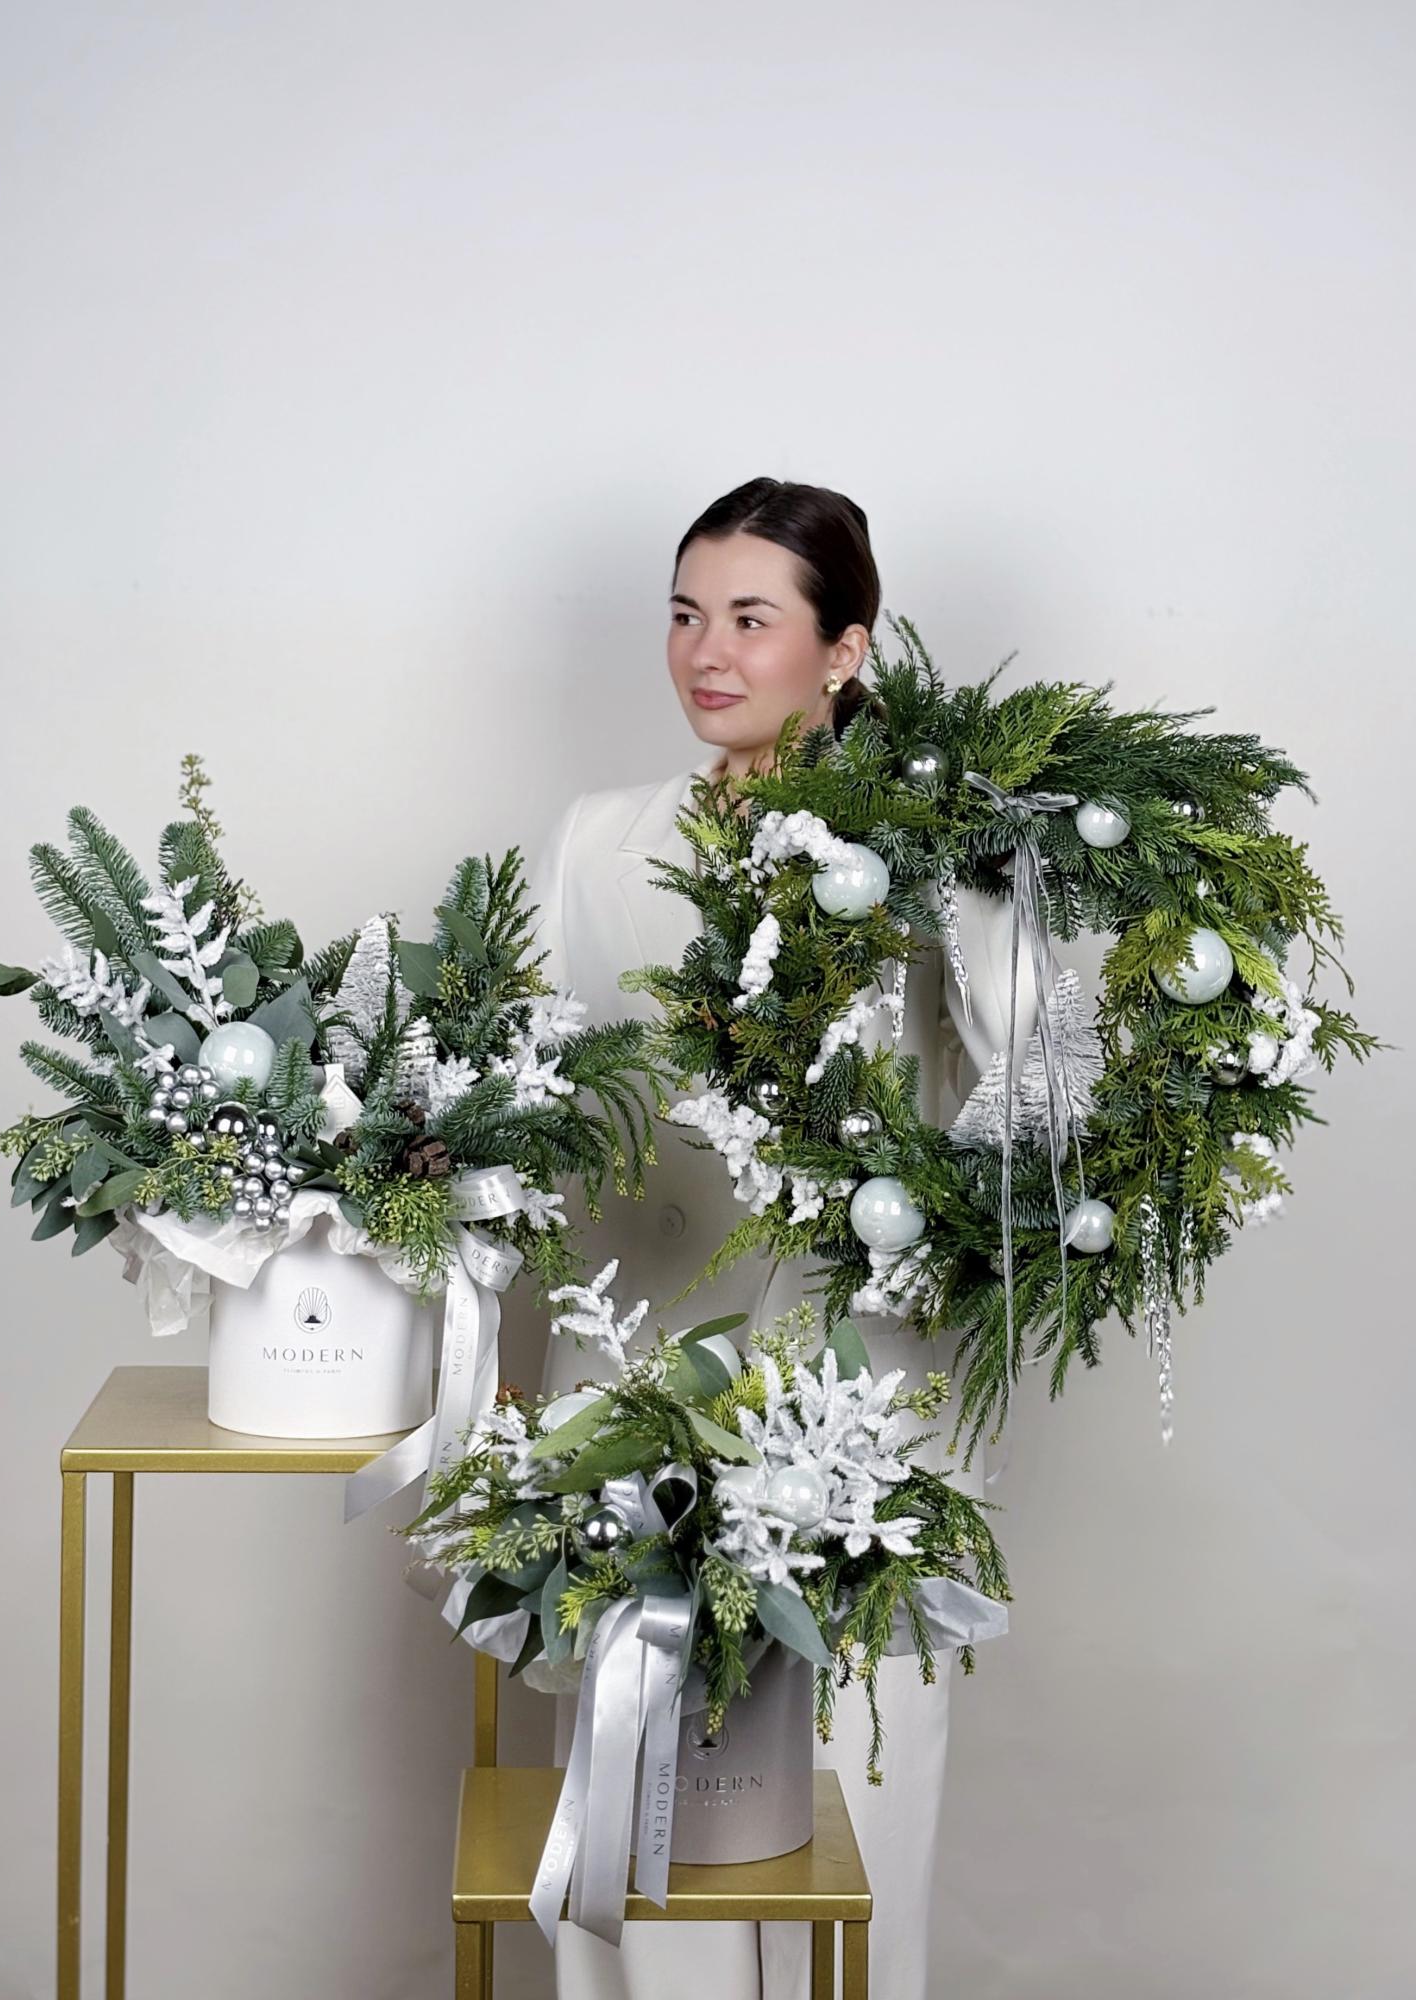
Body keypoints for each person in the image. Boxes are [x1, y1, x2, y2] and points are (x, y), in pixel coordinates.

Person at [528, 477, 1044, 2000]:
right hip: (628, 1406)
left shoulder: (940, 846)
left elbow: (1035, 1080)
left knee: (853, 1828)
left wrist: (925, 1213)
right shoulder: (597, 842)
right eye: (687, 615)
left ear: (846, 648)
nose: (709, 652)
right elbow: (529, 1108)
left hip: (862, 1420)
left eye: (752, 618)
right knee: (641, 1845)